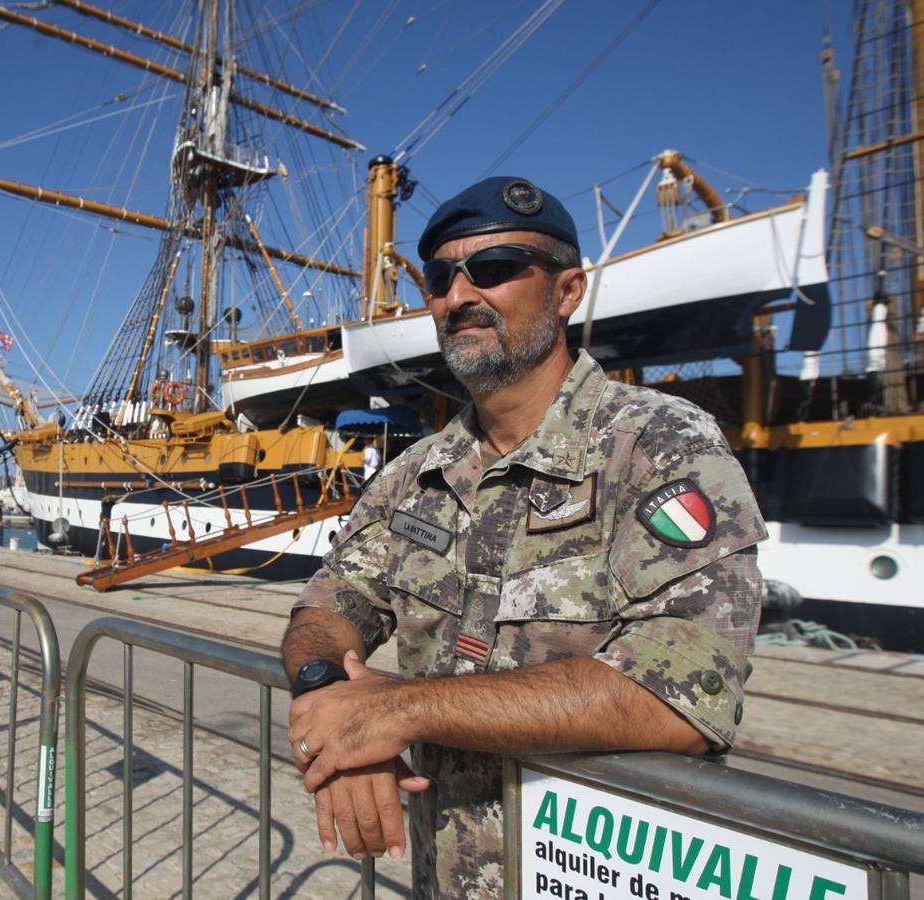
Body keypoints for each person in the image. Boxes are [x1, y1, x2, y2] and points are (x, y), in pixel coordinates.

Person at [280, 176, 765, 897]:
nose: (460, 294)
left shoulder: (656, 445)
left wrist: (396, 710)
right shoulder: (418, 473)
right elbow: (327, 609)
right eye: (443, 277)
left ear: (568, 291)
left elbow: (681, 697)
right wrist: (329, 700)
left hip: (598, 877)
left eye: (497, 268)